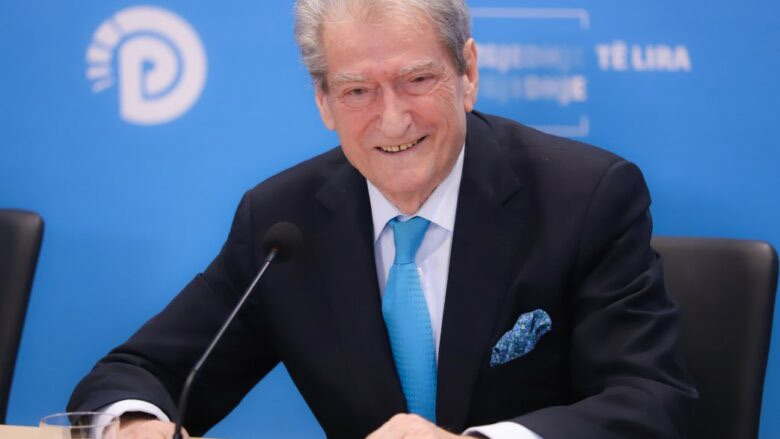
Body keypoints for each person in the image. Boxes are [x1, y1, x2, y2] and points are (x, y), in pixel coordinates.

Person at [68, 0, 697, 437]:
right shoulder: (283, 221)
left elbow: (651, 402)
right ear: (324, 102)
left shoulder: (584, 197)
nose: (392, 119)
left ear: (468, 73)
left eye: (417, 79)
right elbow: (135, 373)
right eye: (357, 91)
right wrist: (133, 423)